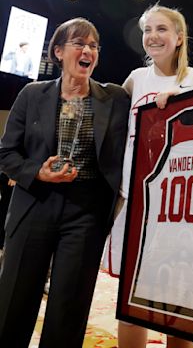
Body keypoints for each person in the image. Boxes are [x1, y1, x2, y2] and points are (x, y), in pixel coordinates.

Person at [0, 17, 130, 347]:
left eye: (93, 45)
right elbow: (6, 154)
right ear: (58, 52)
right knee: (14, 298)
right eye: (79, 43)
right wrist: (37, 172)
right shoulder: (32, 95)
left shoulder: (114, 98)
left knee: (69, 307)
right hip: (35, 203)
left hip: (85, 213)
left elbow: (154, 99)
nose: (88, 50)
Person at [101, 3, 193, 348]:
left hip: (180, 210)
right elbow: (115, 131)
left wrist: (183, 101)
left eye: (162, 29)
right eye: (147, 30)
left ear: (179, 38)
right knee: (132, 299)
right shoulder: (136, 79)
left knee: (181, 299)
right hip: (135, 205)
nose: (152, 37)